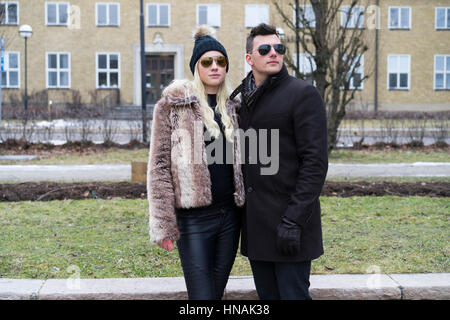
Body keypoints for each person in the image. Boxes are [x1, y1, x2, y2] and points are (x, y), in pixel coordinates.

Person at [230, 23, 328, 300]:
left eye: (279, 48)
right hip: (258, 229)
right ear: (249, 58)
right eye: (264, 49)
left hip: (290, 227)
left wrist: (293, 221)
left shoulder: (303, 94)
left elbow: (315, 164)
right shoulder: (242, 98)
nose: (273, 53)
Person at [147, 25, 245, 300]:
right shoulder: (173, 106)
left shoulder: (234, 107)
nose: (215, 67)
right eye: (207, 61)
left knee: (215, 292)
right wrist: (164, 225)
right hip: (194, 219)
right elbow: (158, 167)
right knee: (202, 298)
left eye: (221, 61)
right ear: (196, 67)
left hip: (230, 216)